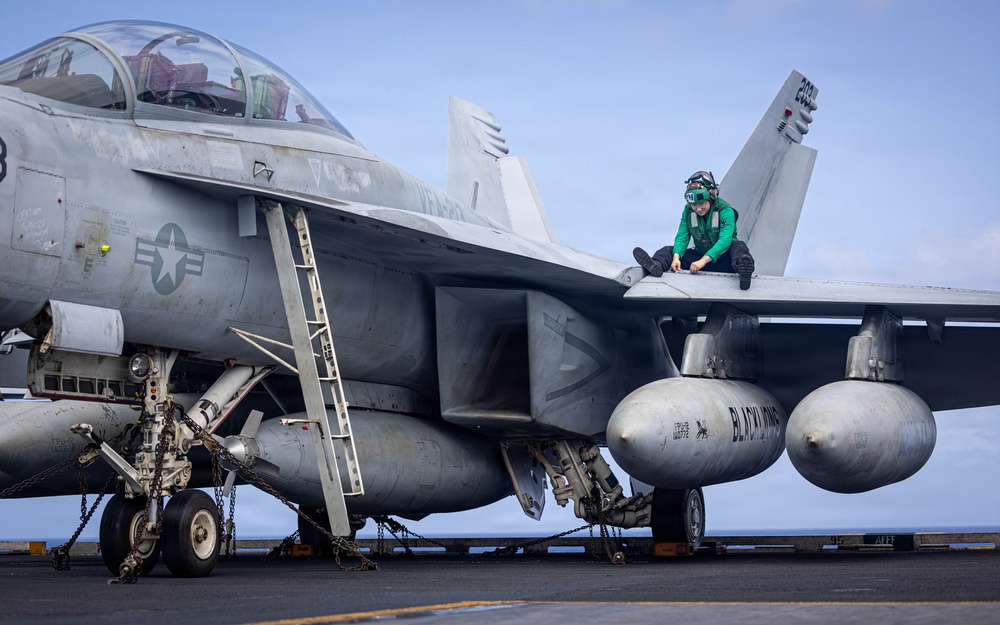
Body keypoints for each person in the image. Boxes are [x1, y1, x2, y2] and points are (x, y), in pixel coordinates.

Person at [633, 170, 755, 290]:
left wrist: (703, 260)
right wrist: (676, 257)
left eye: (702, 204)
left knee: (739, 247)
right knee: (668, 251)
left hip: (724, 261)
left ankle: (744, 270)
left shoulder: (725, 210)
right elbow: (682, 236)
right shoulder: (688, 211)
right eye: (694, 205)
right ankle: (656, 266)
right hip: (699, 261)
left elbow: (725, 240)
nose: (698, 209)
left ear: (711, 197)